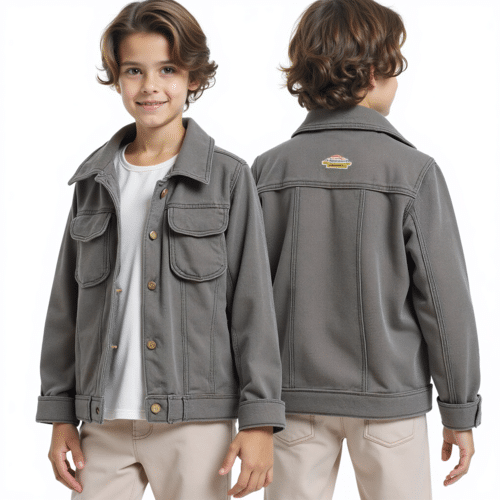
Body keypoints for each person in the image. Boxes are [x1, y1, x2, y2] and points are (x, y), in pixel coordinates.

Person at [36, 1, 285, 498]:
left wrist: (260, 421)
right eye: (134, 70)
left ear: (194, 77)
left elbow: (253, 306)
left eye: (167, 69)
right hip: (102, 421)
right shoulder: (93, 182)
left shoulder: (228, 178)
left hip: (197, 425)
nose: (150, 85)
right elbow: (66, 307)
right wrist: (60, 415)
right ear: (117, 78)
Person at [250, 1, 481, 499]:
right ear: (374, 72)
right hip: (390, 401)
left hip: (290, 402)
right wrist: (459, 410)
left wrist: (250, 407)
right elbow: (445, 304)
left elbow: (244, 299)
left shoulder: (268, 170)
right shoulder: (413, 171)